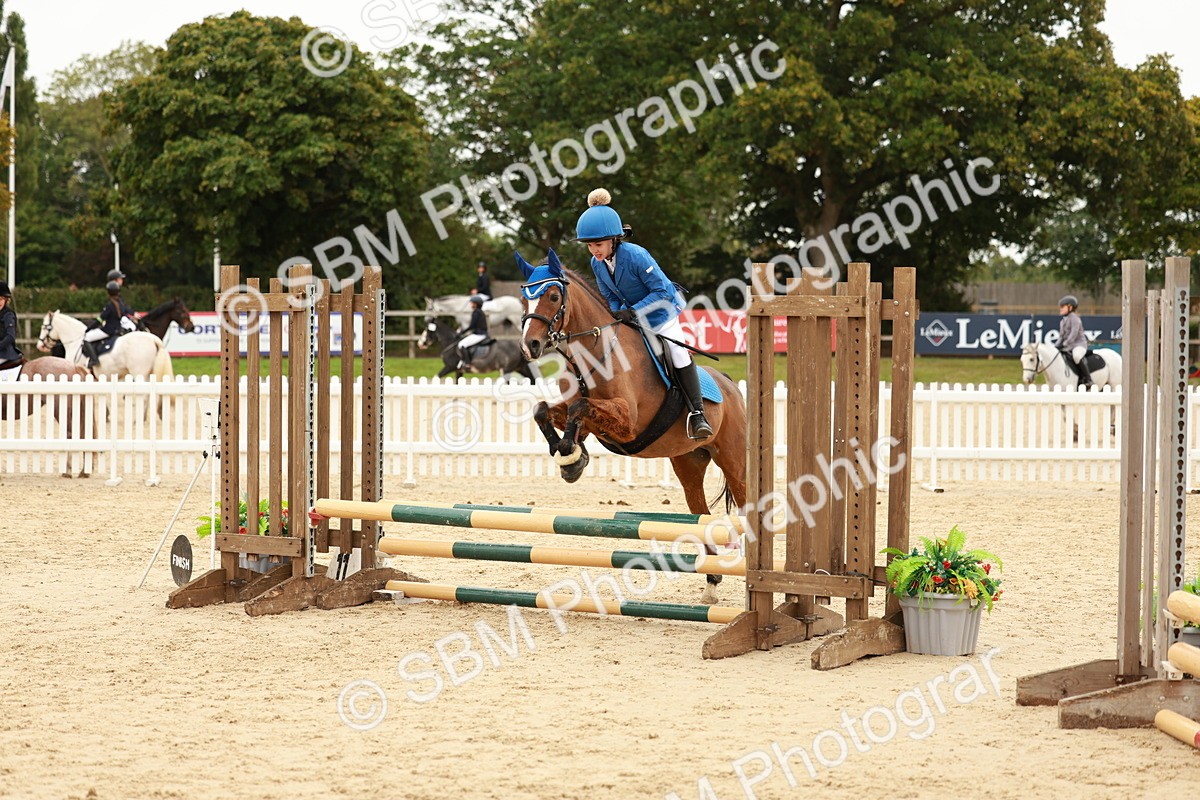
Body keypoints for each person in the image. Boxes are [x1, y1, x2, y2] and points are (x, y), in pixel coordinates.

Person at [575, 187, 713, 439]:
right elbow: (611, 296)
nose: (594, 250)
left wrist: (633, 312)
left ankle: (697, 414)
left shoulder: (637, 255)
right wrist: (617, 314)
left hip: (662, 314)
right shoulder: (597, 263)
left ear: (613, 240)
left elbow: (662, 292)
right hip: (632, 318)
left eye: (599, 244)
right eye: (590, 246)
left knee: (678, 353)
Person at [81, 280, 137, 369]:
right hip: (118, 329)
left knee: (86, 338)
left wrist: (88, 329)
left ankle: (94, 360)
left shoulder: (109, 306)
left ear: (108, 292)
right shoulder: (121, 304)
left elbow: (99, 320)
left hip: (108, 331)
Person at [1058, 294, 1092, 388]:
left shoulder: (1075, 318)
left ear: (1070, 307)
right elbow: (1061, 336)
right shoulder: (1063, 321)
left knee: (1076, 356)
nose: (1060, 309)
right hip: (1068, 346)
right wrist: (1056, 346)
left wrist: (1064, 344)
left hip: (1079, 345)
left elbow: (1074, 334)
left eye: (1062, 307)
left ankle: (1088, 379)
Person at [455, 295, 489, 370]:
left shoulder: (476, 312)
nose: (471, 304)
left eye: (472, 303)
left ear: (476, 304)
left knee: (461, 344)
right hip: (480, 333)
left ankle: (467, 363)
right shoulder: (480, 312)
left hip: (479, 334)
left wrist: (461, 333)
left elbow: (472, 326)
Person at [0, 280, 25, 372]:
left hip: (5, 352)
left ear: (6, 300)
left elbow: (10, 336)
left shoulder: (8, 315)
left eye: (1, 299)